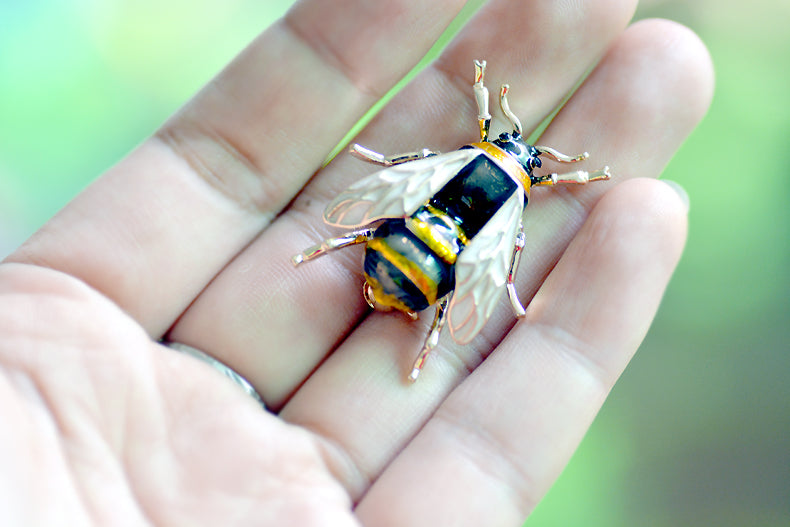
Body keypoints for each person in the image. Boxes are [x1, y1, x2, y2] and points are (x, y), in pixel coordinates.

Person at [0, 0, 713, 525]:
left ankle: (403, 306)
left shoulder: (472, 161)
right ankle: (424, 333)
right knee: (458, 243)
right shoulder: (516, 204)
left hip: (413, 243)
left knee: (420, 208)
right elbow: (496, 255)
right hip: (423, 261)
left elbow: (411, 177)